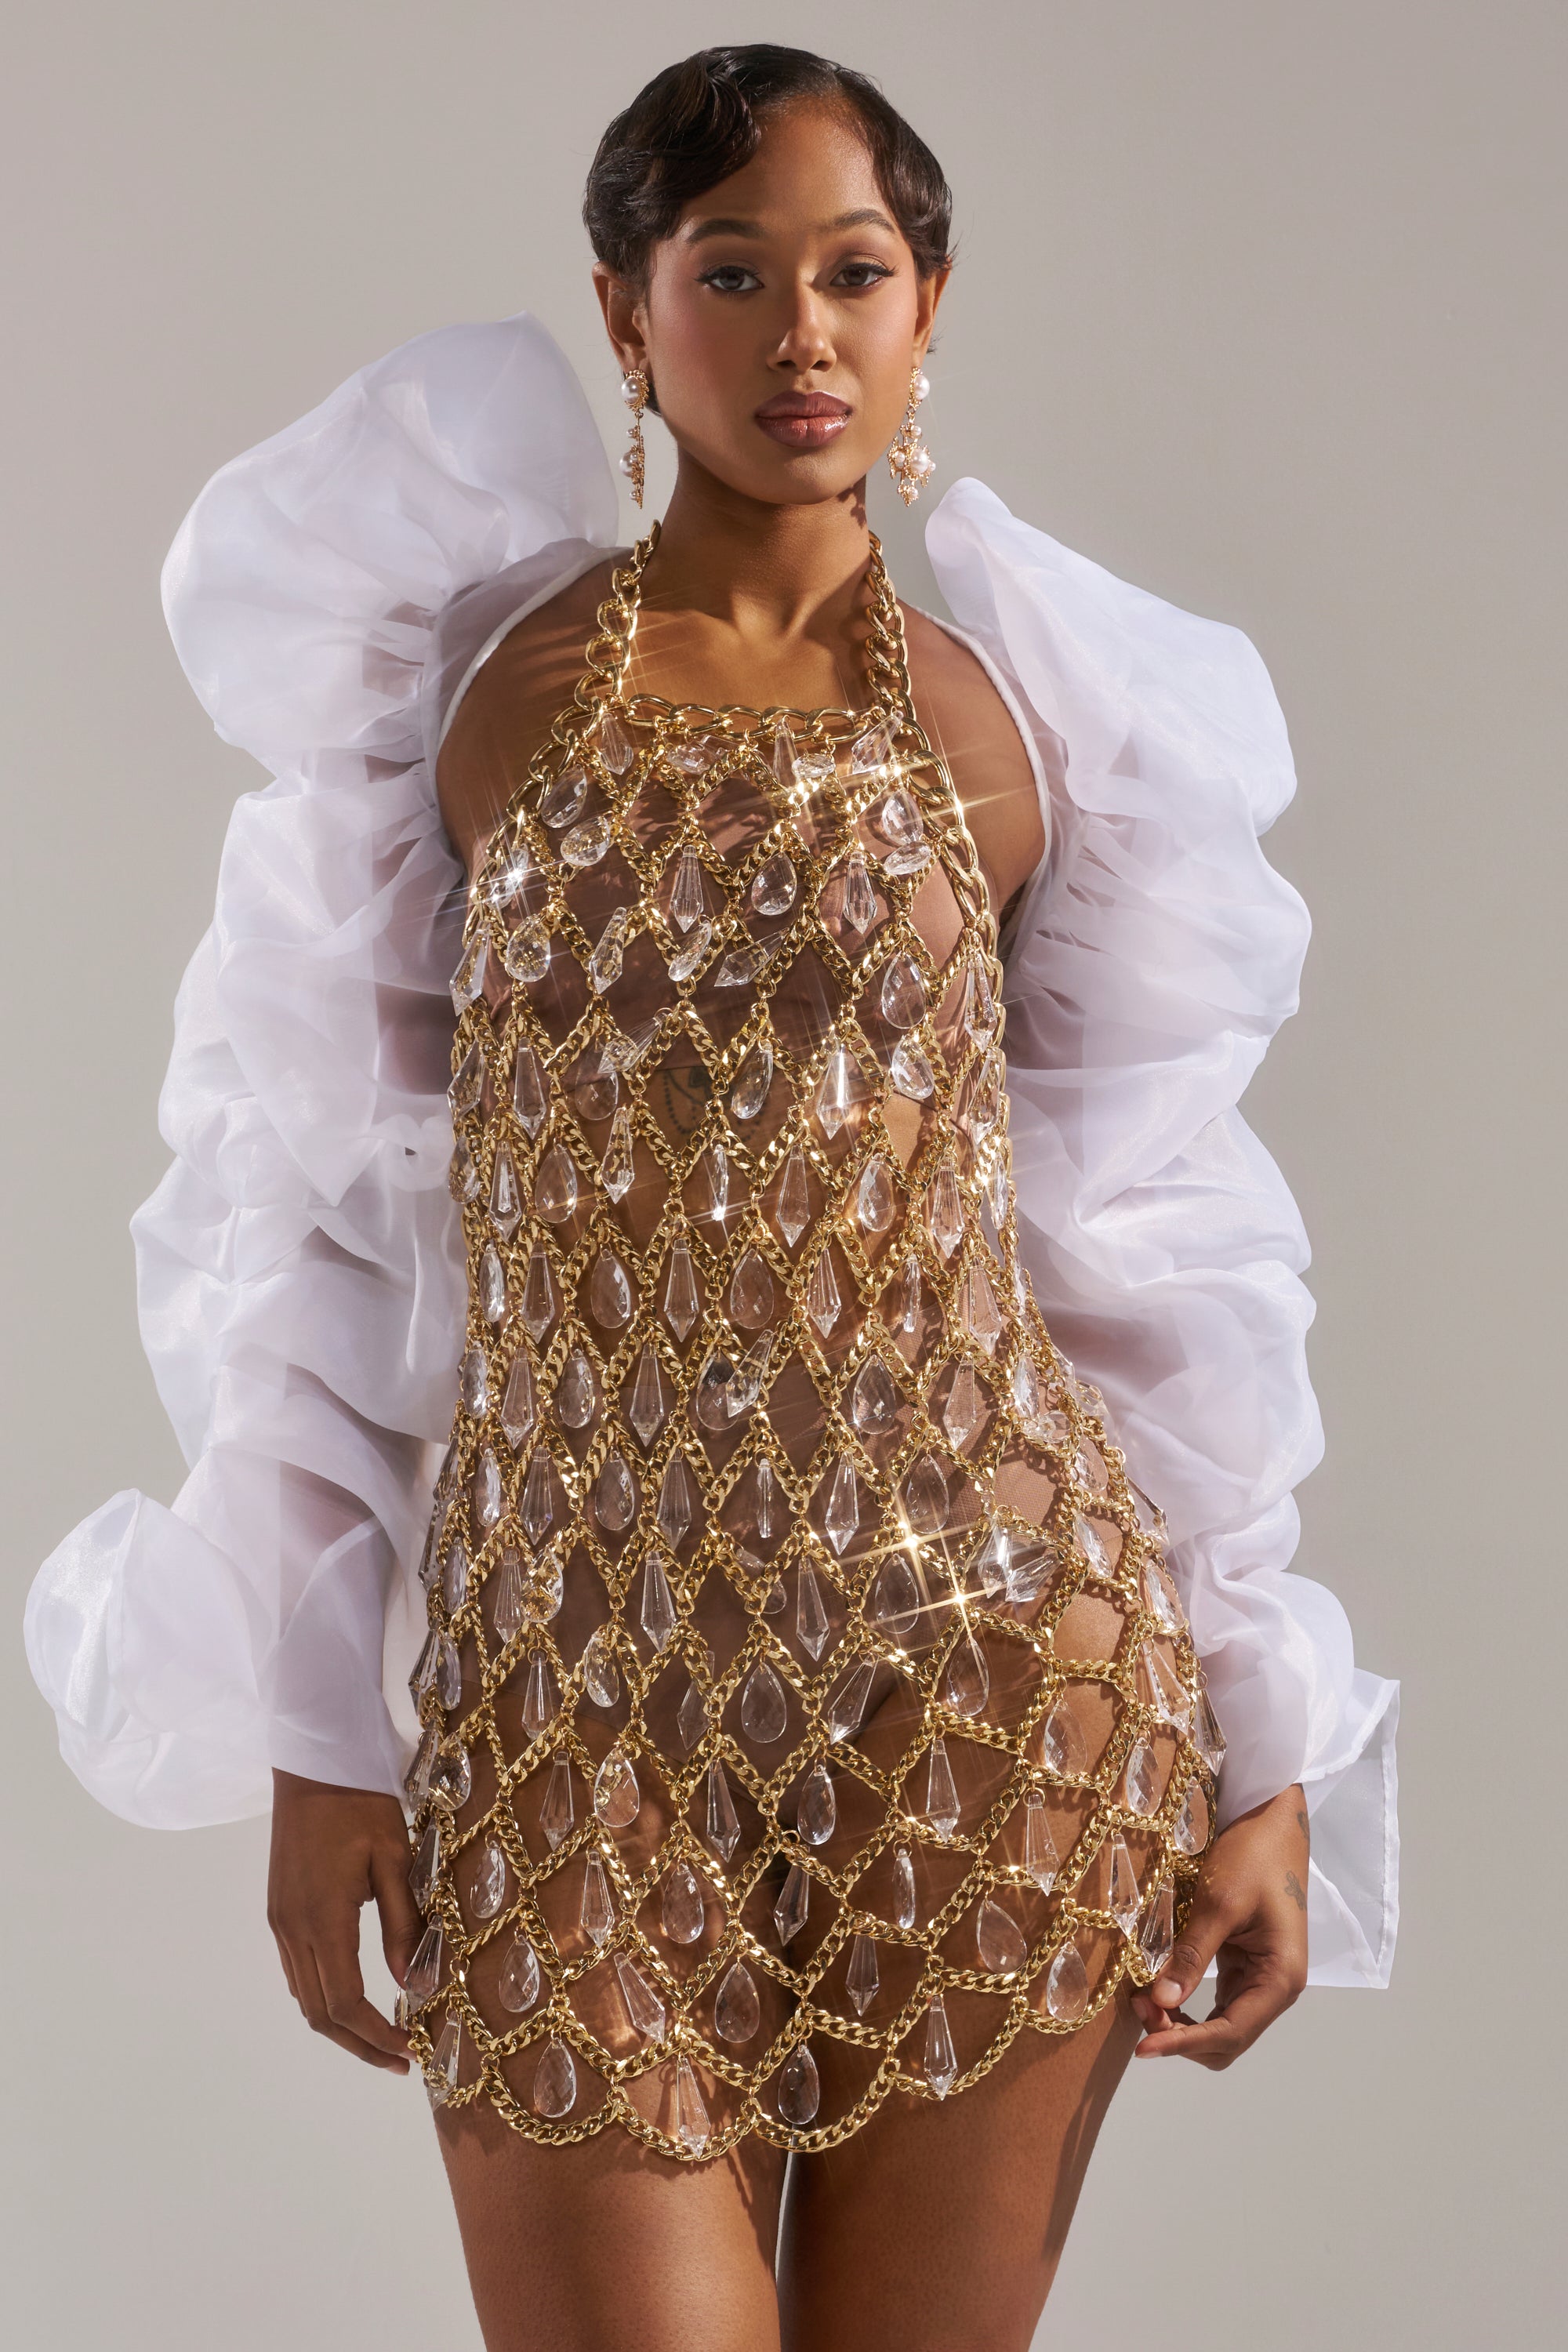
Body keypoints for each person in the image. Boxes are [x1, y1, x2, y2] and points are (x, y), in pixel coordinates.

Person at [24, 44, 1399, 2352]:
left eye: (856, 273)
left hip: (992, 1665)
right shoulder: (459, 703)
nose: (801, 335)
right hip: (571, 1686)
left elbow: (1148, 1236)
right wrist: (313, 1722)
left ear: (931, 302)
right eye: (729, 271)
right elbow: (309, 1215)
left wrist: (1270, 1746)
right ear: (623, 309)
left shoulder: (1028, 729)